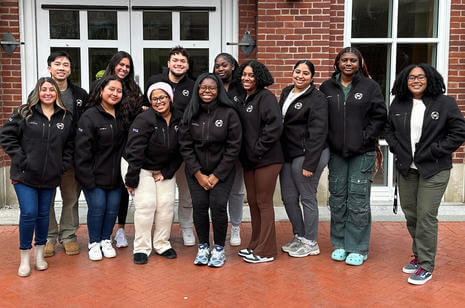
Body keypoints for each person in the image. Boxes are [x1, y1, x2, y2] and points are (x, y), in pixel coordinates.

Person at [385, 64, 465, 285]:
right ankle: (419, 254)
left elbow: (459, 132)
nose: (416, 81)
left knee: (426, 215)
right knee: (411, 214)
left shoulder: (445, 103)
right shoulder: (398, 103)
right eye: (411, 77)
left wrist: (434, 151)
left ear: (430, 79)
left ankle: (426, 265)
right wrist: (396, 147)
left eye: (420, 77)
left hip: (434, 169)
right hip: (407, 169)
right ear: (405, 80)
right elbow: (388, 129)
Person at [319, 47, 387, 266]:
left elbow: (380, 117)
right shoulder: (327, 87)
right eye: (344, 60)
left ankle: (357, 247)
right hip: (337, 153)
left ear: (360, 63)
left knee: (358, 200)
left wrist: (365, 137)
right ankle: (339, 244)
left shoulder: (370, 86)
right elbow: (321, 118)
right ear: (337, 63)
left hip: (362, 152)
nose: (348, 64)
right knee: (338, 199)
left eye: (353, 60)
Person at [0, 77, 74, 277]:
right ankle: (25, 257)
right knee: (29, 213)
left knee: (43, 216)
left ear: (57, 93)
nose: (48, 92)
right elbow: (6, 136)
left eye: (52, 89)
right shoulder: (24, 112)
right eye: (44, 89)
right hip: (24, 175)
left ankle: (39, 256)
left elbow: (69, 145)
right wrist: (21, 158)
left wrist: (62, 165)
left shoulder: (65, 117)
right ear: (37, 92)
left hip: (50, 176)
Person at [180, 73, 242, 267]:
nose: (207, 91)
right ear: (197, 89)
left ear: (219, 90)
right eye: (203, 87)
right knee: (199, 207)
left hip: (222, 172)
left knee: (218, 206)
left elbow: (234, 146)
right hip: (196, 172)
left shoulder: (229, 113)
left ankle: (219, 249)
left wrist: (216, 175)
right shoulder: (191, 113)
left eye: (212, 88)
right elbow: (185, 146)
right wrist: (198, 174)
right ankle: (204, 246)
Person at [123, 82, 182, 264]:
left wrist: (167, 172)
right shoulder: (144, 119)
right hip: (139, 167)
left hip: (163, 168)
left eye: (162, 97)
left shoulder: (179, 118)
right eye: (154, 98)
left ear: (170, 98)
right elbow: (135, 151)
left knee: (165, 206)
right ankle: (141, 247)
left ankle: (162, 243)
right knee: (147, 206)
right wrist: (131, 179)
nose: (159, 102)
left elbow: (182, 149)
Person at [145, 46, 196, 246]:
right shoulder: (155, 82)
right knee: (158, 198)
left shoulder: (193, 86)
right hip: (158, 150)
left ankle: (185, 228)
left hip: (184, 149)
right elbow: (145, 109)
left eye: (183, 61)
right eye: (175, 60)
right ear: (168, 63)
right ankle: (158, 233)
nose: (179, 64)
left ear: (187, 65)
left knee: (186, 194)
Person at [279, 60, 329, 258]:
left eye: (305, 73)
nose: (300, 76)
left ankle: (311, 242)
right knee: (288, 198)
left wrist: (310, 163)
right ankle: (299, 236)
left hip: (308, 154)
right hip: (288, 154)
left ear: (312, 77)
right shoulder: (287, 92)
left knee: (307, 197)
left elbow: (318, 132)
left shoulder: (317, 98)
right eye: (297, 71)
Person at [236, 61, 284, 264]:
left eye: (251, 75)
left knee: (264, 203)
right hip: (249, 160)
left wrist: (257, 150)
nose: (246, 78)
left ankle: (267, 250)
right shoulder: (243, 98)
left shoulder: (266, 97)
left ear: (259, 78)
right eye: (244, 75)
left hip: (267, 159)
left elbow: (274, 126)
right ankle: (255, 244)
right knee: (254, 204)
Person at [75, 75, 125, 261]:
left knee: (112, 210)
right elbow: (81, 151)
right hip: (93, 176)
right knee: (98, 208)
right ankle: (94, 242)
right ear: (101, 90)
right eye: (111, 89)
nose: (115, 93)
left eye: (119, 91)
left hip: (115, 176)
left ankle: (106, 239)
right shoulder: (90, 116)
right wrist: (87, 178)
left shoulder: (121, 115)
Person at [44, 51, 89, 258]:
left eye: (66, 65)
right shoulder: (40, 92)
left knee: (70, 198)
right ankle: (49, 237)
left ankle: (69, 236)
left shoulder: (79, 94)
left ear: (70, 70)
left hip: (72, 157)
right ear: (49, 68)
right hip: (46, 158)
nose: (61, 68)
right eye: (57, 64)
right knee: (47, 199)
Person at [100, 51, 144, 249]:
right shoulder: (102, 86)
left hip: (126, 146)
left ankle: (120, 230)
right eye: (121, 65)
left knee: (123, 189)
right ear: (113, 64)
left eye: (127, 66)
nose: (124, 69)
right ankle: (103, 232)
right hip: (105, 146)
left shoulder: (134, 90)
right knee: (106, 189)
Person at [213, 53, 246, 246]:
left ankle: (235, 227)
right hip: (215, 150)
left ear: (233, 66)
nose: (220, 69)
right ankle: (220, 227)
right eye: (217, 66)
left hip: (238, 148)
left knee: (236, 191)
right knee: (218, 193)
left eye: (224, 65)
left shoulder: (241, 88)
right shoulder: (211, 86)